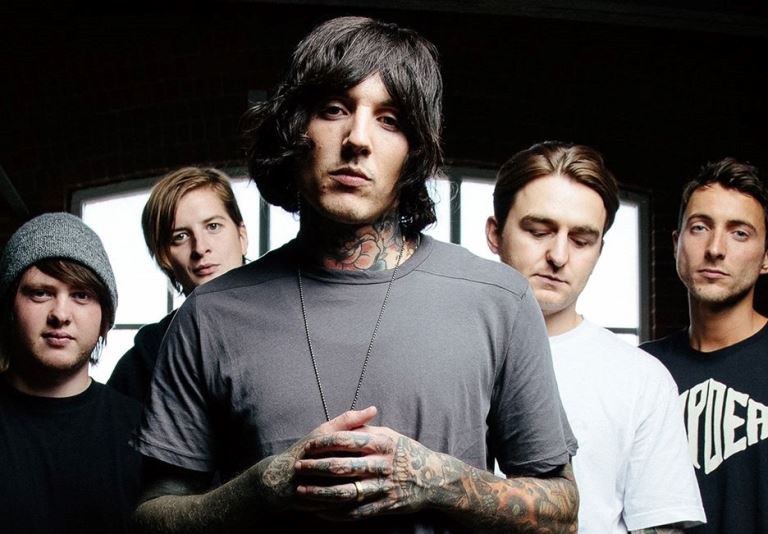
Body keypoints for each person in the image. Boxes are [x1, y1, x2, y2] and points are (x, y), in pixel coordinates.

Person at [131, 16, 578, 533]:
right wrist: (261, 489)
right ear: (295, 129)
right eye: (334, 110)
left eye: (390, 120)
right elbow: (150, 520)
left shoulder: (498, 299)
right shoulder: (210, 315)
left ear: (414, 150)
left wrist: (441, 482)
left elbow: (563, 513)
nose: (357, 139)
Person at [486, 141, 705, 533]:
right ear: (495, 233)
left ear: (599, 250)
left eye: (581, 240)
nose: (558, 255)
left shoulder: (641, 379)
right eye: (538, 231)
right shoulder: (442, 355)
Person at [641, 158, 768, 533]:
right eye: (700, 228)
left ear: (766, 257)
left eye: (739, 233)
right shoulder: (639, 370)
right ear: (676, 243)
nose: (715, 249)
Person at [0, 212, 142, 534]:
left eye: (81, 295)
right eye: (41, 293)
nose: (60, 314)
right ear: (10, 307)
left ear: (105, 316)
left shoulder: (142, 431)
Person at [107, 166, 248, 402]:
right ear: (165, 258)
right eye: (180, 236)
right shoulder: (147, 355)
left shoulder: (292, 315)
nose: (200, 248)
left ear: (242, 236)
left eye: (213, 226)